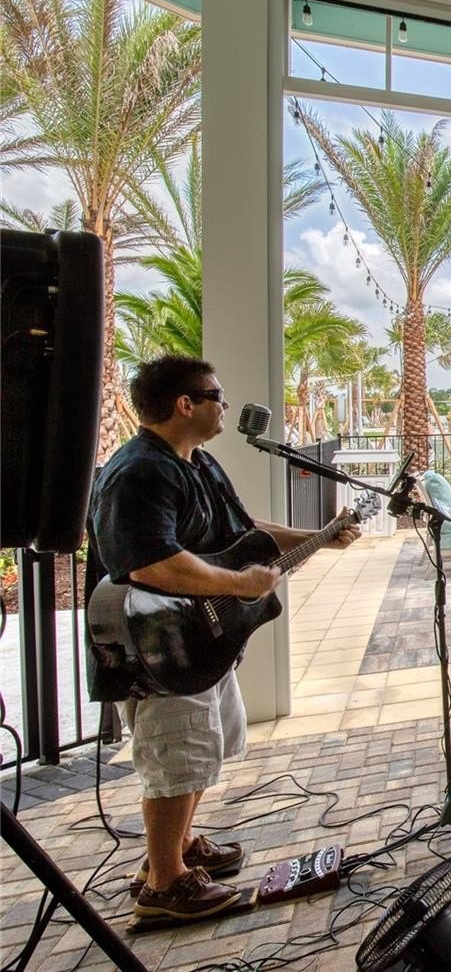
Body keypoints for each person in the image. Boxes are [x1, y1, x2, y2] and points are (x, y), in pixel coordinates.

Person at [88, 356, 360, 921]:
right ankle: (164, 885)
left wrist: (318, 536)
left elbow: (245, 532)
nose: (226, 406)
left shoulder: (197, 463)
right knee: (176, 757)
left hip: (200, 642)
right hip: (161, 644)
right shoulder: (139, 472)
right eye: (216, 396)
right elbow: (150, 563)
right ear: (184, 404)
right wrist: (238, 584)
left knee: (200, 749)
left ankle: (177, 848)